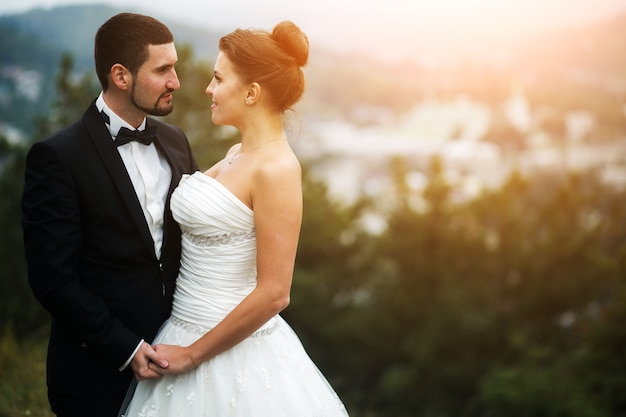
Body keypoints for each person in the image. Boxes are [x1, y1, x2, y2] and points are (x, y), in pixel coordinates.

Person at [120, 21, 349, 416]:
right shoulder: (236, 152)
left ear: (252, 92)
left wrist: (192, 355)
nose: (208, 89)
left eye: (218, 78)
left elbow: (275, 292)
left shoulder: (277, 169)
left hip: (228, 352)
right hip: (179, 326)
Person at [21, 12, 198, 417]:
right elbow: (52, 278)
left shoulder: (175, 142)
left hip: (178, 365)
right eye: (163, 70)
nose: (176, 81)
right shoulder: (58, 157)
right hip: (95, 375)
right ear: (121, 76)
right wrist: (126, 347)